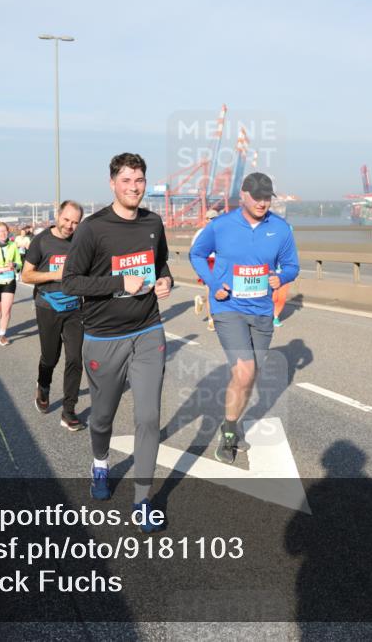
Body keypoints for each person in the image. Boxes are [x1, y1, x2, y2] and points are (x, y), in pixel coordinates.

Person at [61, 152, 173, 532]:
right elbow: (71, 282)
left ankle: (143, 501)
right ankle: (99, 462)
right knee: (103, 416)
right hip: (103, 338)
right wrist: (117, 283)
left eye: (139, 180)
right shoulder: (93, 229)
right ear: (112, 183)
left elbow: (161, 264)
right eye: (126, 180)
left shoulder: (153, 223)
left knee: (149, 417)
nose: (134, 187)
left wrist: (166, 281)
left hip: (147, 331)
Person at [189, 172, 300, 464]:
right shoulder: (222, 225)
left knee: (249, 376)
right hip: (228, 308)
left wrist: (281, 277)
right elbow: (197, 254)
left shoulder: (281, 228)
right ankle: (227, 434)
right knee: (245, 371)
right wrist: (214, 284)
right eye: (258, 196)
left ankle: (234, 421)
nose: (263, 202)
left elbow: (291, 266)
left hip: (262, 311)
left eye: (267, 197)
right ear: (243, 195)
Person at [22, 201, 84, 430]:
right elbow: (26, 276)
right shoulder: (41, 241)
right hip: (48, 306)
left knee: (76, 359)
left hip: (74, 307)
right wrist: (54, 274)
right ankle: (44, 385)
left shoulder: (79, 241)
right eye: (67, 220)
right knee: (50, 357)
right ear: (58, 215)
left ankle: (69, 411)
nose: (70, 226)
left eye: (75, 222)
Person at [191, 209, 219, 331]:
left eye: (215, 218)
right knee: (210, 291)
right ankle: (211, 320)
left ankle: (201, 299)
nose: (213, 221)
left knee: (220, 292)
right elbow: (194, 252)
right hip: (208, 264)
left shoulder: (223, 232)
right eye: (210, 219)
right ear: (206, 220)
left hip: (221, 264)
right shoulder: (200, 233)